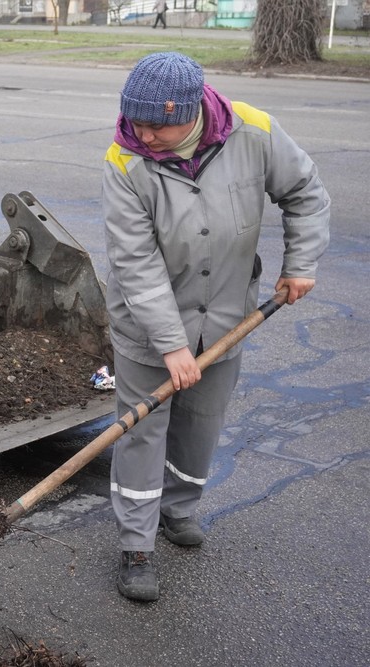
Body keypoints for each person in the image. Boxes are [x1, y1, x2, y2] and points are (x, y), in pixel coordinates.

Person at [101, 52, 330, 602]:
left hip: (227, 318)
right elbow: (136, 263)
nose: (144, 135)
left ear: (192, 112)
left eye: (156, 125)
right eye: (136, 122)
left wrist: (300, 263)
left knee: (200, 425)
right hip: (146, 327)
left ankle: (178, 509)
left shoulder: (253, 130)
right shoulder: (125, 160)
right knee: (142, 433)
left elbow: (305, 192)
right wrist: (172, 345)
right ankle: (136, 545)